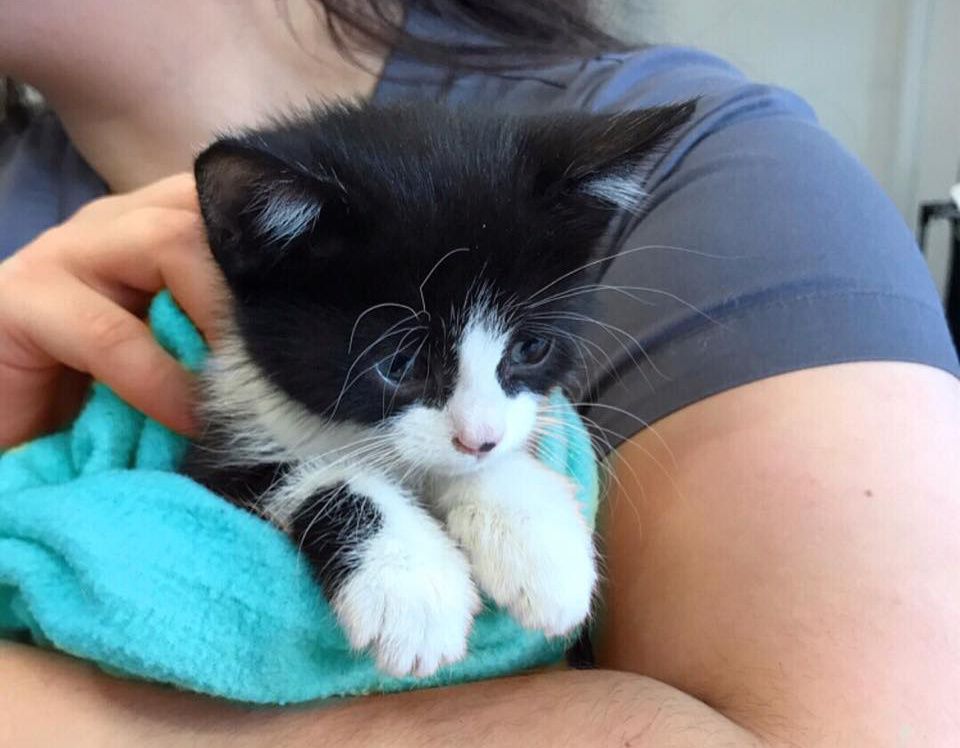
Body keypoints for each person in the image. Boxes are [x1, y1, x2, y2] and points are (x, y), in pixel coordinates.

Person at [1, 1, 958, 744]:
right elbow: (232, 475)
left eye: (528, 357)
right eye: (405, 361)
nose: (479, 429)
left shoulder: (731, 167)